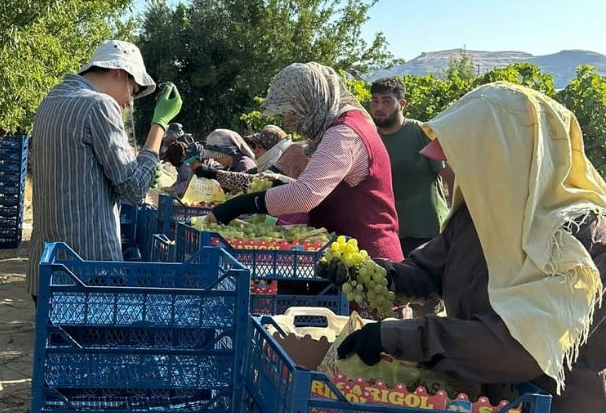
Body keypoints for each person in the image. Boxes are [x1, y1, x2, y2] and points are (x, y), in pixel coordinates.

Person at [325, 83, 606, 413]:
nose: (453, 173)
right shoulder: (481, 215)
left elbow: (523, 345)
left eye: (465, 161)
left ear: (507, 158)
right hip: (492, 396)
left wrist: (401, 337)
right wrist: (378, 274)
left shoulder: (580, 235)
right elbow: (429, 271)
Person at [25, 40, 182, 305]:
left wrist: (141, 167)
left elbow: (81, 172)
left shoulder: (51, 101)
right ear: (118, 72)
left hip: (46, 271)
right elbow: (133, 191)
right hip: (89, 272)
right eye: (132, 91)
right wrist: (159, 125)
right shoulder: (98, 105)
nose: (129, 104)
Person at [207, 62, 404, 264]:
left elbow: (305, 195)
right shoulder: (343, 126)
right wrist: (282, 184)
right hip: (346, 256)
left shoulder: (344, 133)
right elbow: (320, 187)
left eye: (290, 110)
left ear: (311, 100)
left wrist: (235, 206)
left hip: (369, 259)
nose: (287, 119)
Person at [370, 77, 453, 317]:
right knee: (388, 304)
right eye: (375, 101)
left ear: (402, 104)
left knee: (427, 308)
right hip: (388, 235)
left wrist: (456, 223)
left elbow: (451, 177)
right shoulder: (371, 139)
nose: (379, 107)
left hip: (427, 234)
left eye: (387, 101)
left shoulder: (422, 132)